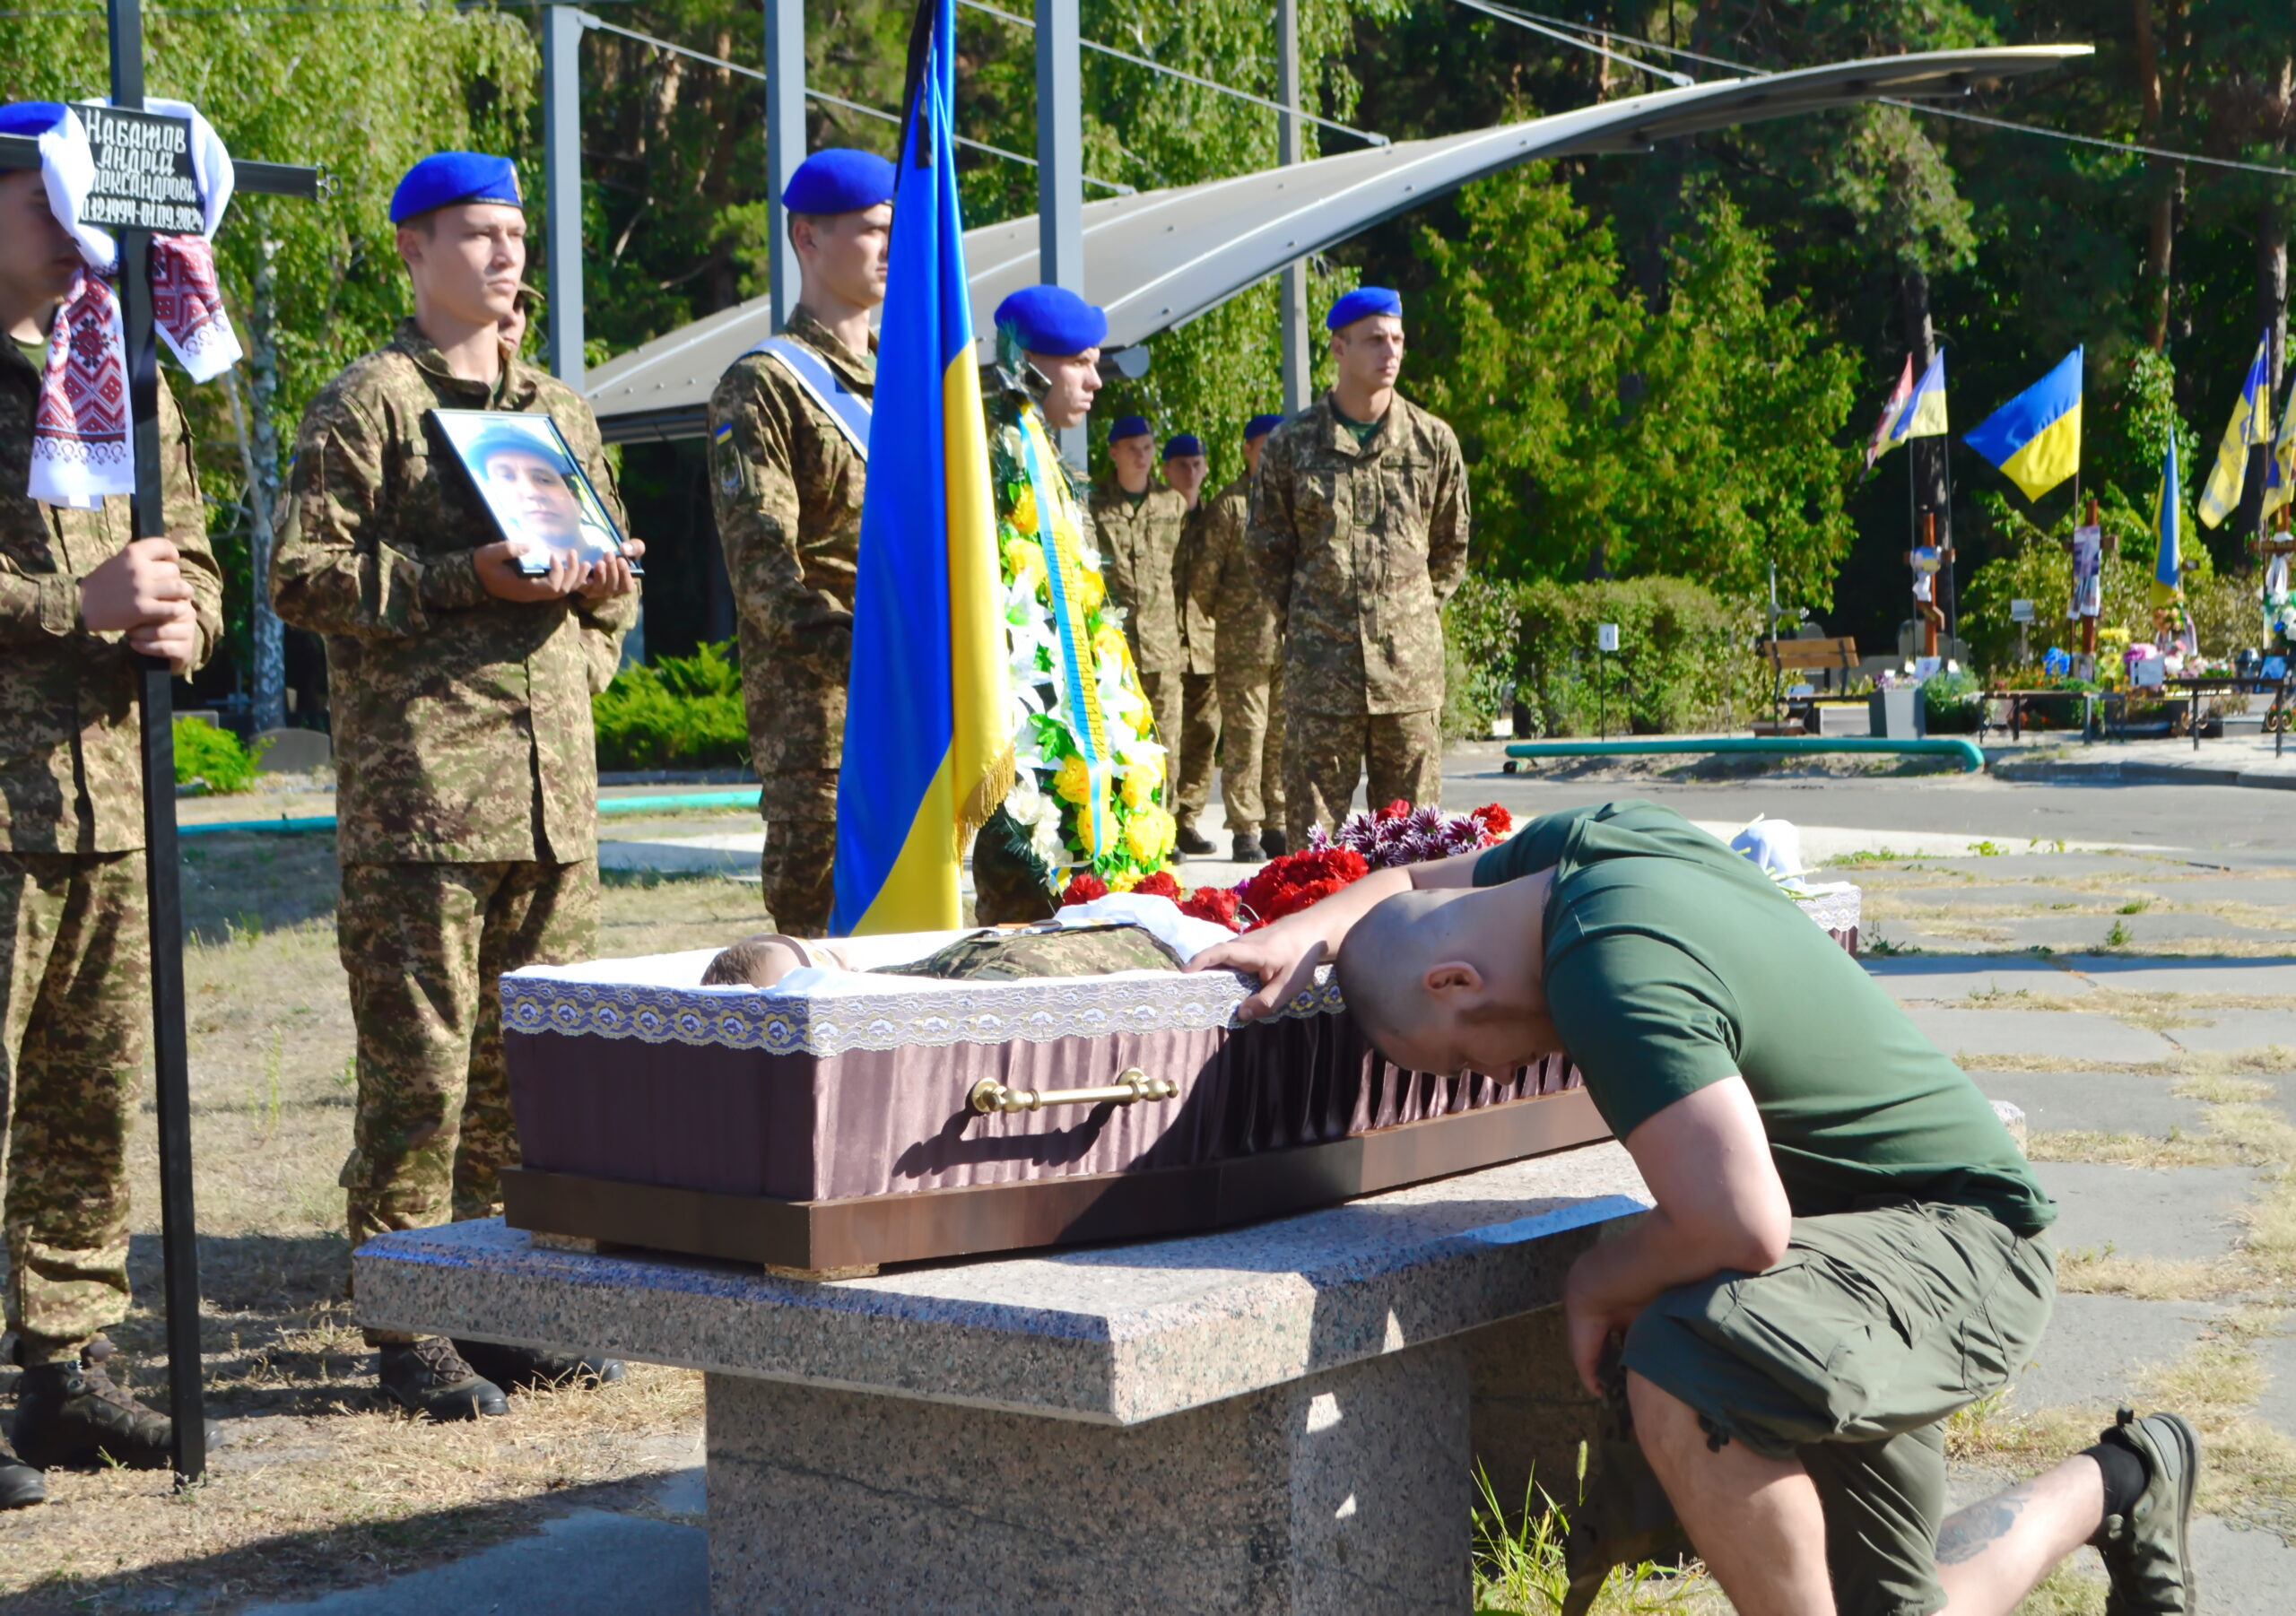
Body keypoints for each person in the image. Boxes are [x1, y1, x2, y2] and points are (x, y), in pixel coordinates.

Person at [1193, 798, 2199, 1616]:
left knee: (1682, 1347)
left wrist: (1594, 1277)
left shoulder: (1608, 971)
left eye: (1459, 1055)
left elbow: (1740, 1226)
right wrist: (1321, 923)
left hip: (1952, 1251)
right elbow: (1415, 883)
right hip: (1856, 1258)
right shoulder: (1600, 844)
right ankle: (2130, 1477)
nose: (1483, 1073)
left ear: (1456, 980)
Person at [271, 152, 640, 1423]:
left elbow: (612, 589)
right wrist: (457, 580)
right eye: (477, 235)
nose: (505, 257)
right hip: (423, 799)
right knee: (420, 1077)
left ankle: (514, 1308)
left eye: (516, 233)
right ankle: (411, 1321)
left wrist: (592, 623)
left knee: (531, 1075)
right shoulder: (368, 403)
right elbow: (302, 575)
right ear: (414, 252)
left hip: (553, 797)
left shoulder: (558, 407)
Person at [0, 102, 226, 1495]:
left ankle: (62, 1367)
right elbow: (77, 590)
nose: (86, 225)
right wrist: (67, 605)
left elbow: (188, 547)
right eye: (48, 192)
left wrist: (184, 620)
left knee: (89, 1101)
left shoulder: (123, 360)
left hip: (109, 795)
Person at [706, 148, 892, 936]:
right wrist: (881, 654)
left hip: (920, 712)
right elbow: (765, 575)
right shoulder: (766, 384)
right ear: (807, 239)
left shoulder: (913, 384)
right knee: (826, 948)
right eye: (874, 230)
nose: (892, 249)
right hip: (825, 728)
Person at [972, 285, 1177, 920]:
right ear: (1032, 362)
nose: (1094, 380)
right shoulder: (990, 448)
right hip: (1021, 718)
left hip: (1064, 711)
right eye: (1080, 362)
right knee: (1021, 906)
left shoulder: (1037, 445)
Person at [1248, 287, 1467, 848]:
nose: (1390, 352)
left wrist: (1408, 614)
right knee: (1314, 852)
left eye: (1397, 339)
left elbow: (1450, 548)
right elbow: (1266, 552)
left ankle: (1407, 942)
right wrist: (1315, 619)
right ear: (1339, 348)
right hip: (1322, 678)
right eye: (1374, 340)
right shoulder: (1290, 445)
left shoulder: (1432, 441)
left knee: (1413, 848)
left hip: (1409, 680)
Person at [1181, 413, 1287, 864]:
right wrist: (1231, 617)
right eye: (1265, 445)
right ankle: (1245, 828)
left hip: (1292, 641)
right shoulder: (1230, 507)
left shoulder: (1298, 498)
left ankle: (1277, 822)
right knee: (1246, 738)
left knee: (1282, 738)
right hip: (1243, 643)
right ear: (1248, 449)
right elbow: (1202, 580)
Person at [1090, 414, 1187, 785]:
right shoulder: (1095, 505)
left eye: (1147, 448)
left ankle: (1167, 822)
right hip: (1115, 645)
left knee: (1166, 738)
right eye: (1132, 449)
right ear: (1114, 452)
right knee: (1119, 736)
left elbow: (1184, 570)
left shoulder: (1171, 504)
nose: (1141, 456)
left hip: (1163, 642)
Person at [1162, 433, 1220, 858]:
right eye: (1182, 463)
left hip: (1205, 638)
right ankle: (1160, 822)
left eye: (1197, 463)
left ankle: (1188, 820)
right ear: (1166, 469)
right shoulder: (1155, 512)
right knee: (1164, 736)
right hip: (1160, 640)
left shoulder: (1215, 515)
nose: (1191, 471)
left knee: (1203, 734)